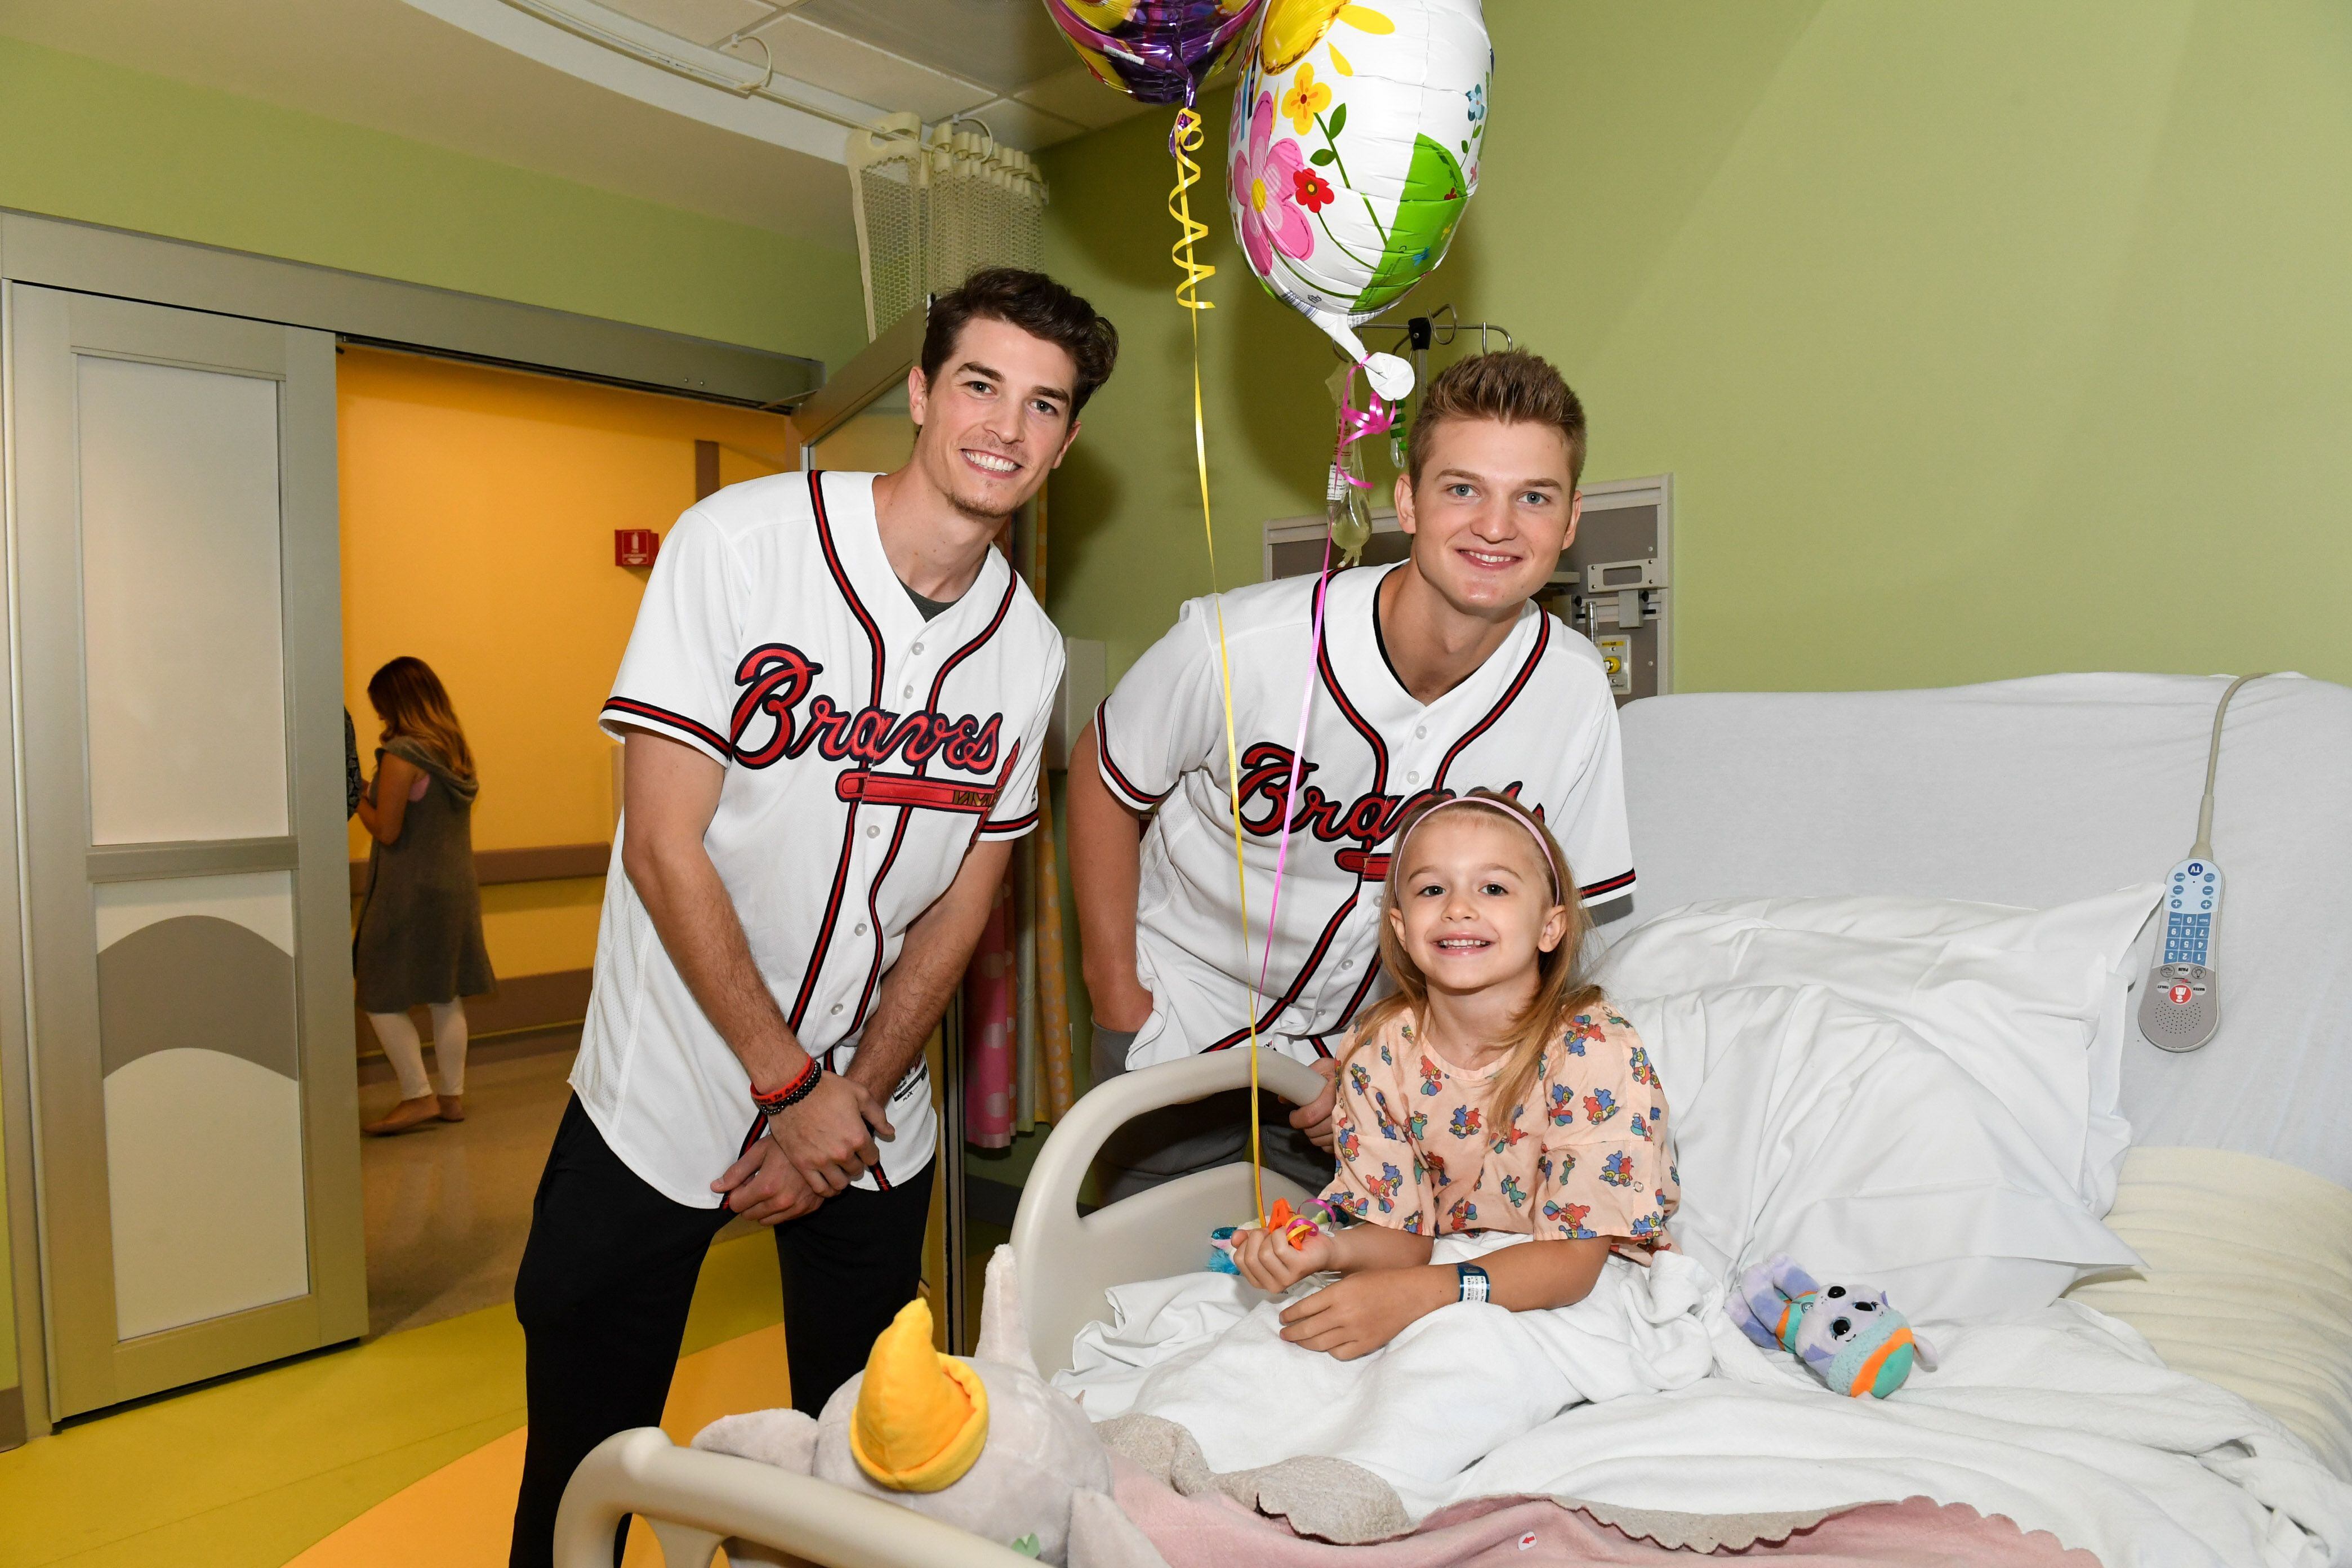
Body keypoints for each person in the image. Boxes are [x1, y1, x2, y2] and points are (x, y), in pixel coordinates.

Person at [507, 268, 1117, 1568]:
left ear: (1068, 437)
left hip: (864, 1109)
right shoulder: (739, 545)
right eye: (979, 383)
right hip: (670, 1072)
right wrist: (784, 1079)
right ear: (917, 390)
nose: (1006, 426)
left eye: (1044, 404)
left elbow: (967, 900)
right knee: (583, 1452)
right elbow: (665, 844)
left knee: (882, 1462)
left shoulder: (1028, 649)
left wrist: (845, 1100)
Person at [1069, 350, 1636, 1200]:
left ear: (1570, 521)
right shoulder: (1240, 646)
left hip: (1385, 1074)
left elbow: (1560, 919)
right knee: (1141, 1285)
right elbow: (1103, 776)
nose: (1496, 526)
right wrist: (1118, 997)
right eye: (1462, 488)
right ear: (1406, 500)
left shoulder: (1574, 691)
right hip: (1178, 1017)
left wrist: (1389, 1051)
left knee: (1341, 1313)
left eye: (1534, 497)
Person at [1229, 790, 1676, 1353]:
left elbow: (1573, 1264)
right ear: (1400, 924)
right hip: (1441, 1268)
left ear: (1550, 927)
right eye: (1431, 889)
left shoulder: (1592, 1048)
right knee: (1284, 1350)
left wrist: (1421, 1294)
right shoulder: (1380, 1050)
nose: (1458, 908)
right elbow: (1404, 1241)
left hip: (1584, 1284)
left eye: (1493, 887)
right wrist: (1328, 1252)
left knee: (1445, 1374)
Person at [354, 657, 495, 1135]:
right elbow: (412, 804)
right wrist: (368, 788)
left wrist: (354, 797)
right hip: (454, 888)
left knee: (376, 989)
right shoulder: (450, 751)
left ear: (397, 703)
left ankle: (417, 1096)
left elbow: (386, 829)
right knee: (444, 993)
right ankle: (451, 1097)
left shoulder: (402, 754)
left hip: (408, 892)